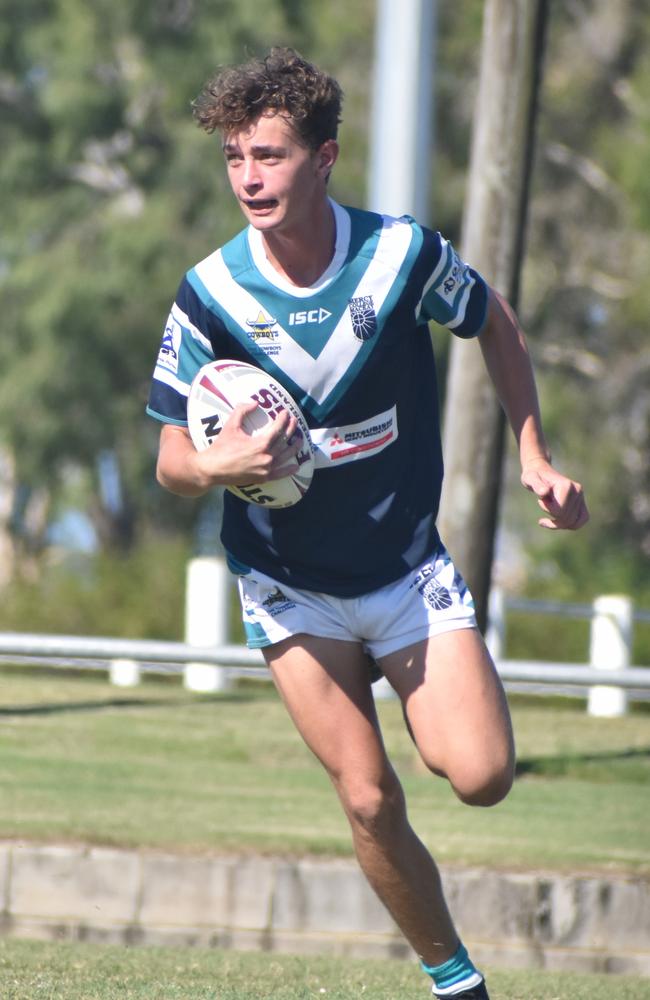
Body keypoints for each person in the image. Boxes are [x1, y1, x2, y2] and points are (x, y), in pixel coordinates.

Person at [147, 47, 588, 999]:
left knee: (480, 775)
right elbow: (171, 459)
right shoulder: (211, 292)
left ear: (326, 156)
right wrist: (215, 463)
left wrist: (534, 454)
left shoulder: (400, 258)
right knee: (367, 795)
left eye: (268, 156)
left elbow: (493, 321)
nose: (249, 178)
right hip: (286, 583)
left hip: (403, 569)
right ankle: (454, 980)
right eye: (234, 159)